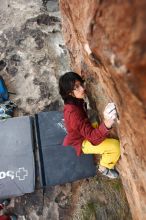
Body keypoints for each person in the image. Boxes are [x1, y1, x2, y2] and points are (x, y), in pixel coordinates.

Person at [59, 72, 120, 179]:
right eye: (77, 87)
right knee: (115, 146)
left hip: (82, 132)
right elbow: (92, 137)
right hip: (82, 142)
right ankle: (104, 168)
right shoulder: (73, 114)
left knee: (95, 119)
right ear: (69, 93)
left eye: (81, 84)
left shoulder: (74, 101)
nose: (82, 89)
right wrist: (107, 123)